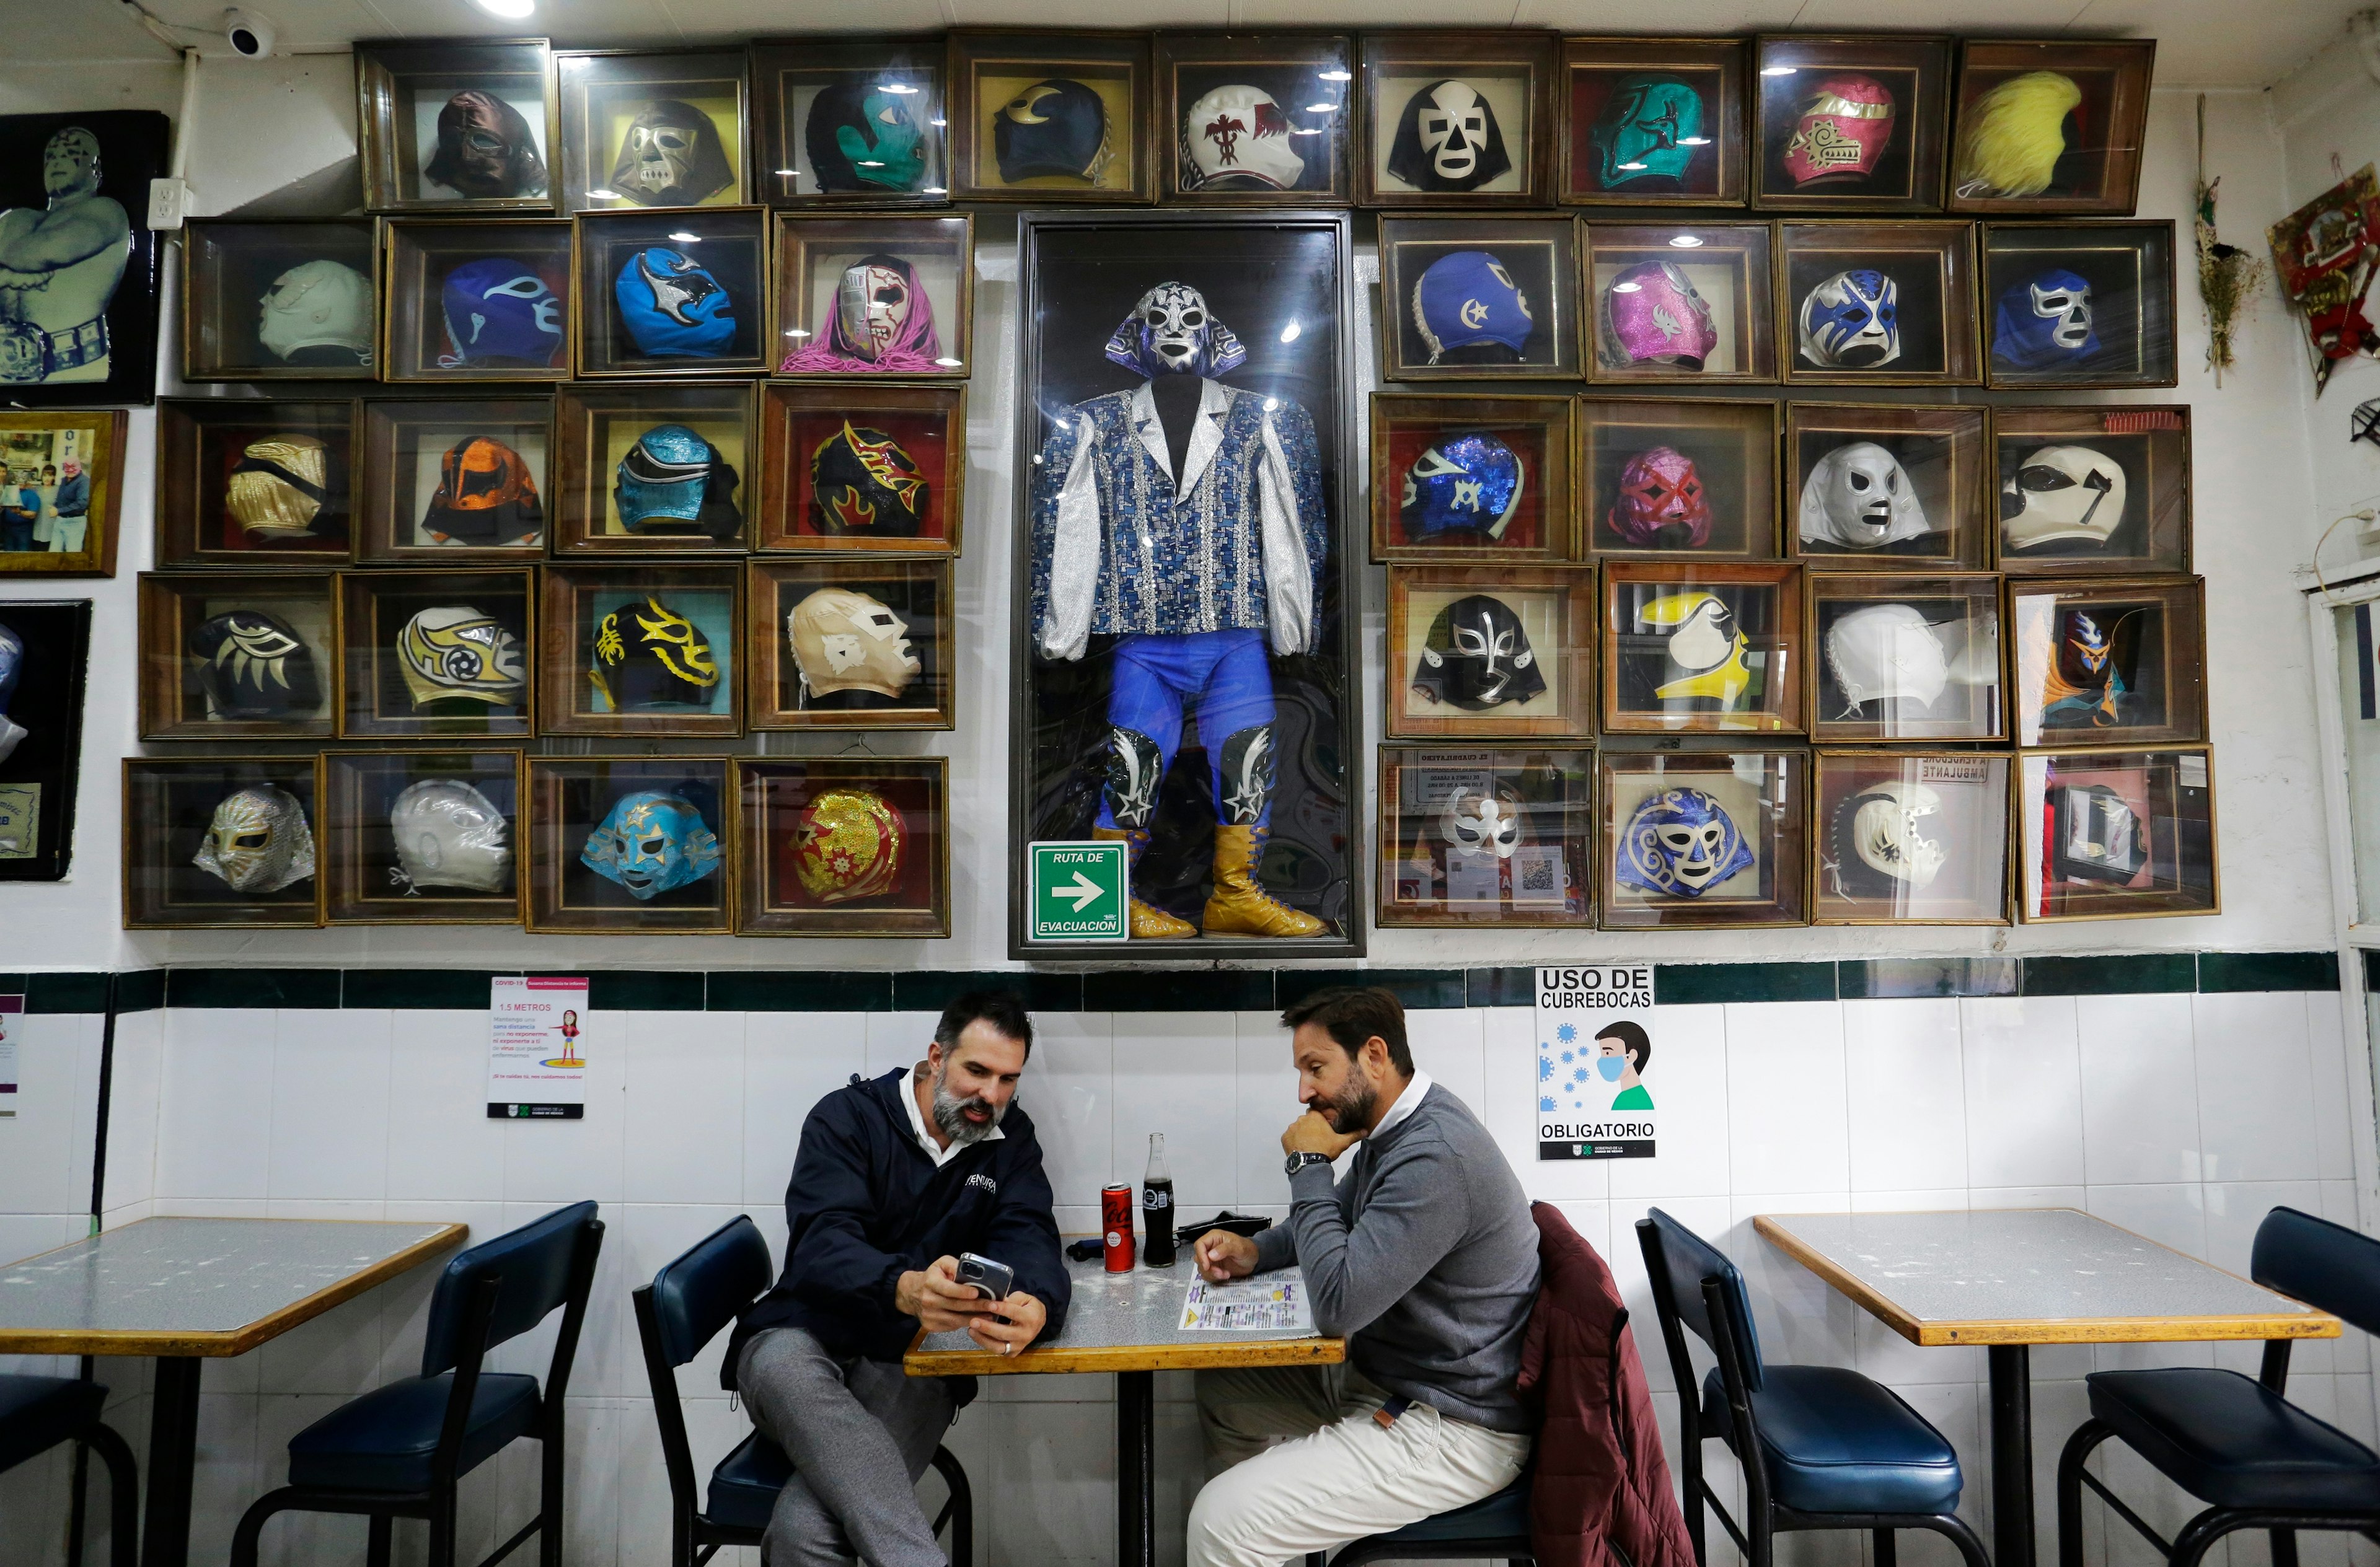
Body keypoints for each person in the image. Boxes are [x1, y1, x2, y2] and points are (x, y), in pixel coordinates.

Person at [1188, 986, 1541, 1567]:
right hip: (1392, 1381)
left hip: (1452, 1426)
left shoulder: (1434, 1157)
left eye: (1315, 1068)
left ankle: (1246, 1535)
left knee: (1220, 1525)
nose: (1303, 1092)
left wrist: (1307, 1164)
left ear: (1374, 1055)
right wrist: (1257, 1249)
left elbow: (1338, 1304)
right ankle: (1269, 1534)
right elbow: (1339, 1222)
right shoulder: (1393, 1127)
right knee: (1225, 1390)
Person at [725, 990, 1070, 1567]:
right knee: (781, 1360)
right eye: (977, 1071)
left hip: (911, 1360)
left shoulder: (1011, 1142)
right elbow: (820, 1244)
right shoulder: (847, 1116)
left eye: (1007, 1079)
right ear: (937, 1056)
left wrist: (1035, 1302)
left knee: (804, 1535)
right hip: (800, 1335)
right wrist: (903, 1286)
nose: (991, 1095)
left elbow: (1030, 1235)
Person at [0, 127, 132, 386]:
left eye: (70, 154)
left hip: (72, 369)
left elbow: (40, 254)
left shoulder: (106, 212)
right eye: (51, 157)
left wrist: (7, 269)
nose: (57, 161)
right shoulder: (19, 218)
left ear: (96, 169)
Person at [1596, 1020, 1655, 1110]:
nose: (1602, 1060)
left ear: (1632, 1056)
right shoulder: (1628, 1096)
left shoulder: (1633, 1100)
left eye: (1607, 1053)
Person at [47, 455, 87, 553]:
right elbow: (61, 498)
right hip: (60, 521)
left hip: (75, 523)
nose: (69, 470)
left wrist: (58, 511)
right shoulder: (64, 480)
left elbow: (82, 504)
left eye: (73, 467)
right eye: (67, 467)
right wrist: (55, 506)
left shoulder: (84, 482)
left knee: (72, 555)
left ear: (79, 466)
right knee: (53, 554)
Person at [0, 474, 37, 553]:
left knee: (23, 555)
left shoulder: (31, 494)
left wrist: (20, 512)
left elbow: (33, 514)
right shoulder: (8, 492)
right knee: (8, 555)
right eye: (18, 479)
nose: (20, 482)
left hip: (24, 530)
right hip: (8, 529)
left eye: (23, 479)